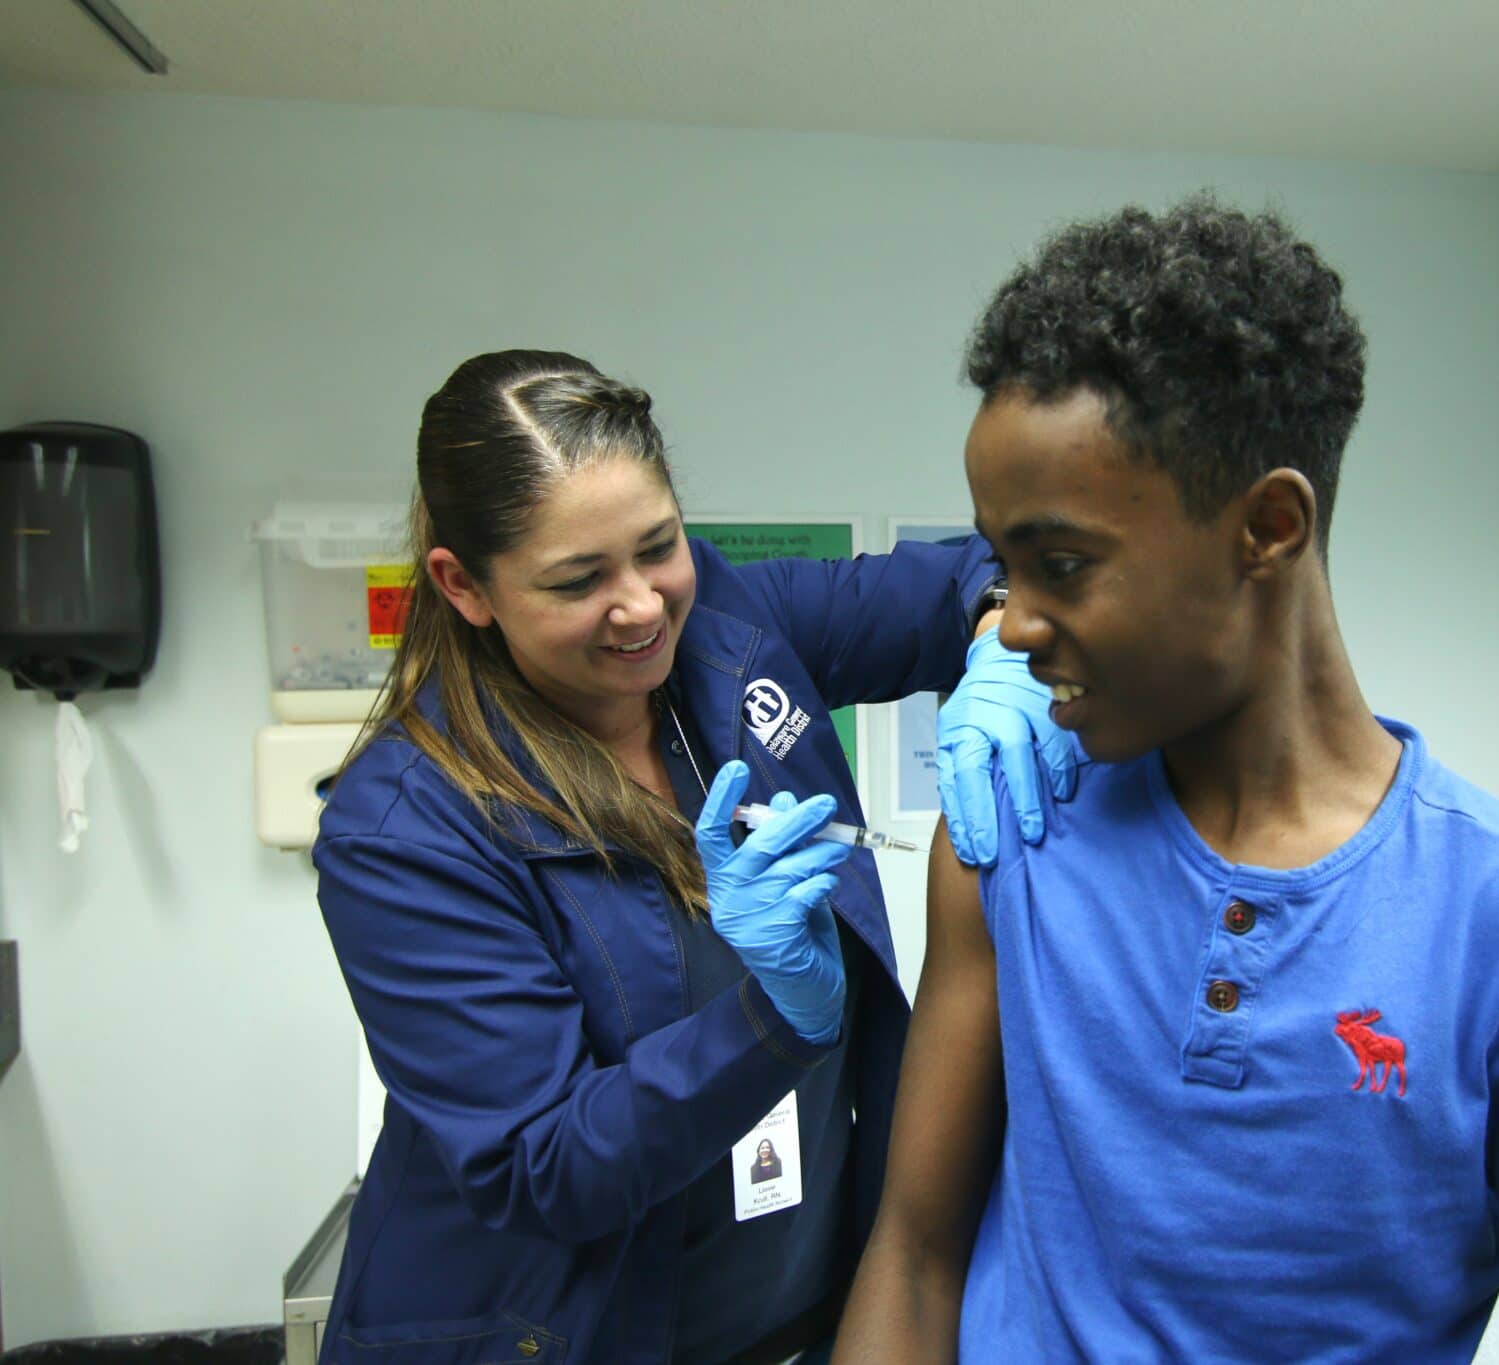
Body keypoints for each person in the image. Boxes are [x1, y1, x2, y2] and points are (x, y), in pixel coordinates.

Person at [837, 199, 1499, 1364]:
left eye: (1060, 565)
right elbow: (912, 1257)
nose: (1011, 626)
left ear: (1266, 527)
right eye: (1002, 567)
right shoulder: (1009, 844)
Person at [312, 350, 1072, 1365]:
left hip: (795, 1308)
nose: (641, 607)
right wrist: (773, 1019)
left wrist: (992, 637)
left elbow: (954, 578)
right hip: (566, 1332)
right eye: (578, 580)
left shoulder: (720, 623)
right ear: (464, 585)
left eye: (656, 547)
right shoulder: (406, 829)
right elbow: (540, 1168)